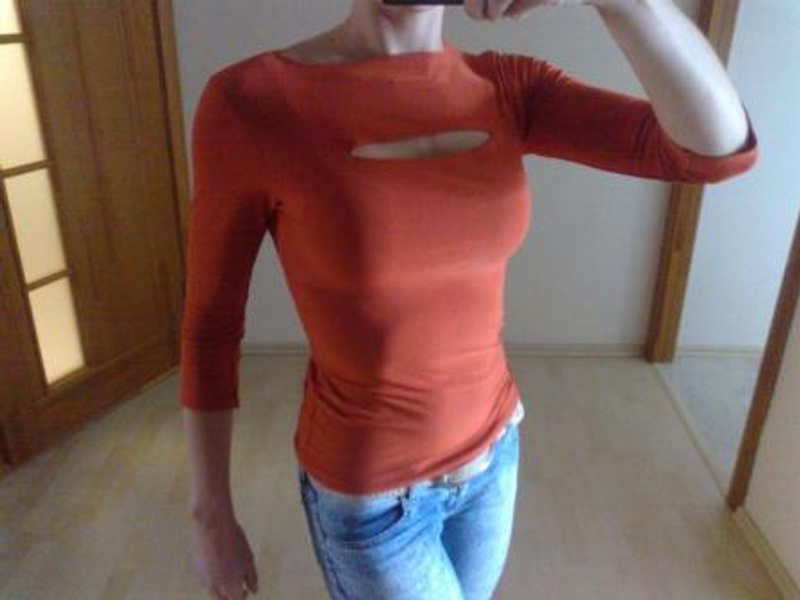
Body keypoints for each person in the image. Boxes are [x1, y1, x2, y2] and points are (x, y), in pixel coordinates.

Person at [180, 1, 759, 599]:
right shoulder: (253, 102)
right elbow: (211, 325)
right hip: (372, 500)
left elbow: (715, 150)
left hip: (493, 459)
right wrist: (210, 514)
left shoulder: (507, 87)